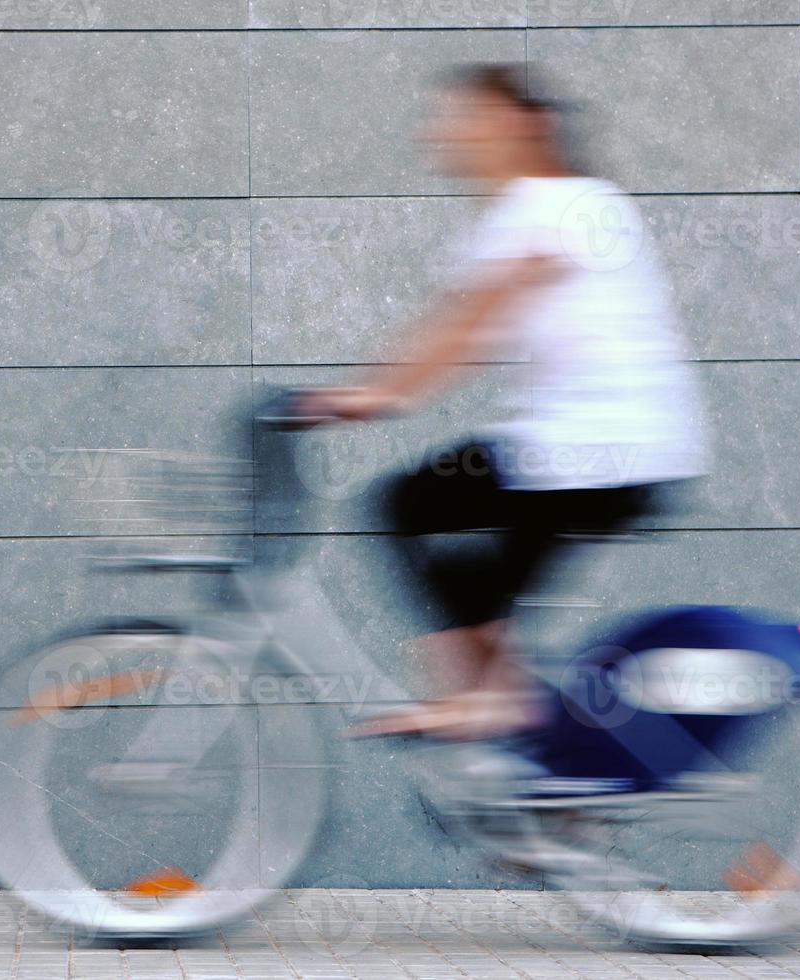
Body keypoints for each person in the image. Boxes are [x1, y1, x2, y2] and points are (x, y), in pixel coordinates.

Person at [299, 64, 708, 741]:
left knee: (413, 501)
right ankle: (529, 777)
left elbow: (478, 319)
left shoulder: (558, 204)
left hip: (597, 451)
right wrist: (373, 388)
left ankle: (483, 709)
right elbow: (458, 319)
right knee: (478, 602)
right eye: (450, 120)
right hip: (606, 452)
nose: (454, 132)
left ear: (529, 125)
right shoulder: (550, 208)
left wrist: (381, 394)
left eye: (473, 117)